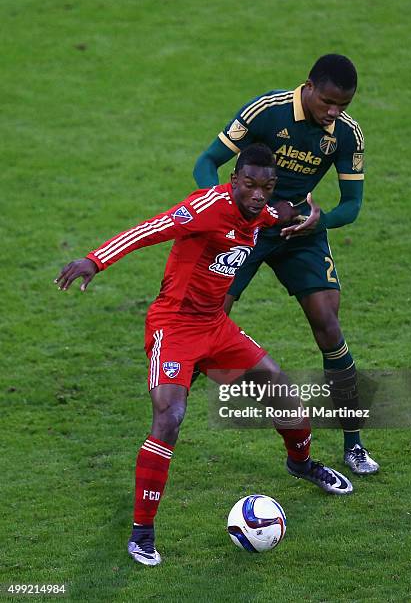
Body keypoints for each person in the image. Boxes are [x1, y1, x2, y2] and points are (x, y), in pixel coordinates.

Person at [55, 144, 352, 568]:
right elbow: (149, 229)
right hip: (174, 328)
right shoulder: (205, 207)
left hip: (215, 328)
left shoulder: (260, 211)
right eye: (249, 185)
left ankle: (301, 464)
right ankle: (142, 533)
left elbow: (271, 214)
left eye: (265, 187)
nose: (257, 194)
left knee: (282, 391)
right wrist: (93, 261)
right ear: (234, 181)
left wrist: (290, 213)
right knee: (170, 418)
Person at [193, 54, 379, 475]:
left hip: (300, 231)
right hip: (247, 229)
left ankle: (353, 444)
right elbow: (206, 163)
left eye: (343, 106)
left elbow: (351, 205)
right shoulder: (266, 111)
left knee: (329, 326)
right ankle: (172, 409)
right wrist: (224, 210)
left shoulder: (347, 135)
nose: (333, 112)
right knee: (207, 321)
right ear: (308, 86)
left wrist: (320, 220)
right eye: (328, 102)